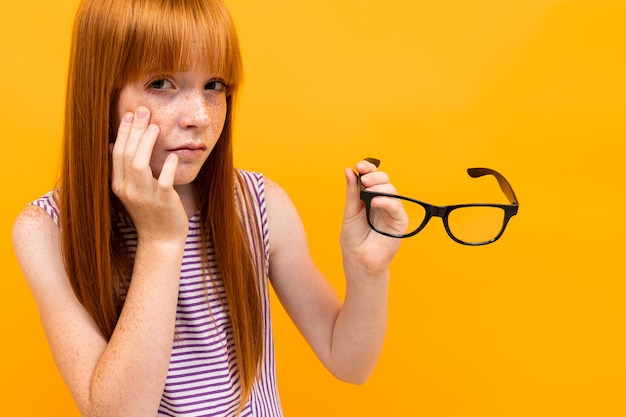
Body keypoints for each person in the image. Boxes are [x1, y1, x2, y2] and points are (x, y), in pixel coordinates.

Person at [12, 0, 406, 415]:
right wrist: (161, 241)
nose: (199, 116)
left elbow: (349, 363)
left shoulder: (257, 204)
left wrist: (367, 271)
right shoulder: (47, 230)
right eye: (161, 83)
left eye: (214, 85)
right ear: (102, 93)